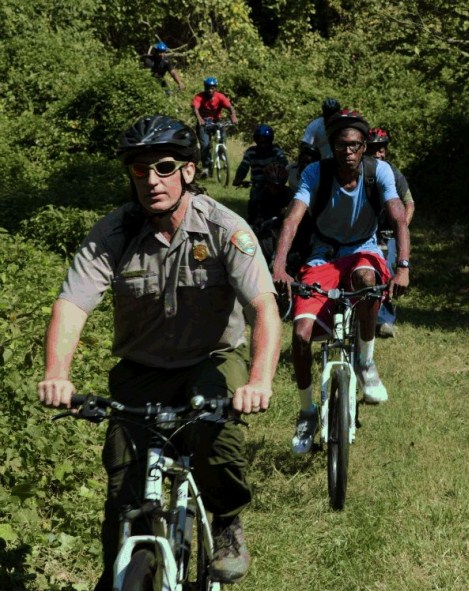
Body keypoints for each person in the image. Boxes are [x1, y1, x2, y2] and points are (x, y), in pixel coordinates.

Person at [38, 115, 281, 589]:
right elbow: (71, 305)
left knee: (218, 442)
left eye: (165, 167)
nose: (152, 181)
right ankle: (123, 572)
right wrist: (57, 373)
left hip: (210, 361)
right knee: (123, 499)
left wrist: (259, 381)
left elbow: (263, 308)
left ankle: (227, 520)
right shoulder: (112, 234)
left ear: (189, 170)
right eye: (139, 171)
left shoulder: (223, 228)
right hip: (141, 370)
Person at [272, 109, 410, 454]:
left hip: (363, 248)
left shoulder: (380, 172)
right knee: (301, 337)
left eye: (354, 146)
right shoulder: (315, 172)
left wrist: (403, 265)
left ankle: (364, 361)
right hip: (322, 254)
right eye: (340, 146)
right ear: (330, 146)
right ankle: (306, 411)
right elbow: (292, 218)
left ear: (364, 146)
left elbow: (398, 217)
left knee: (365, 280)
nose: (348, 153)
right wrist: (279, 265)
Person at [366, 127, 415, 338]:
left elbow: (409, 203)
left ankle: (384, 320)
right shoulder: (359, 172)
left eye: (382, 149)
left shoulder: (394, 173)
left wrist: (400, 227)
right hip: (362, 232)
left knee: (386, 273)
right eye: (375, 149)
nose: (379, 153)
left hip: (387, 233)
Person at [232, 124, 288, 219]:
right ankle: (253, 224)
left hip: (274, 183)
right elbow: (244, 166)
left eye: (265, 141)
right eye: (260, 141)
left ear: (270, 141)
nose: (262, 144)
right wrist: (238, 179)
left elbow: (284, 161)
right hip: (257, 185)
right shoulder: (251, 152)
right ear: (256, 140)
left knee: (284, 203)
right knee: (254, 202)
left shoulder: (275, 150)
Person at [191, 77, 238, 177]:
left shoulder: (220, 97)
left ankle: (222, 152)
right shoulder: (199, 96)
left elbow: (230, 107)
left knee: (222, 136)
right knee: (205, 145)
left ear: (215, 88)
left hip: (216, 121)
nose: (210, 90)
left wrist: (233, 116)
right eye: (208, 88)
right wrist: (199, 118)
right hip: (203, 122)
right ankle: (206, 167)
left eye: (212, 88)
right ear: (205, 87)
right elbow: (195, 108)